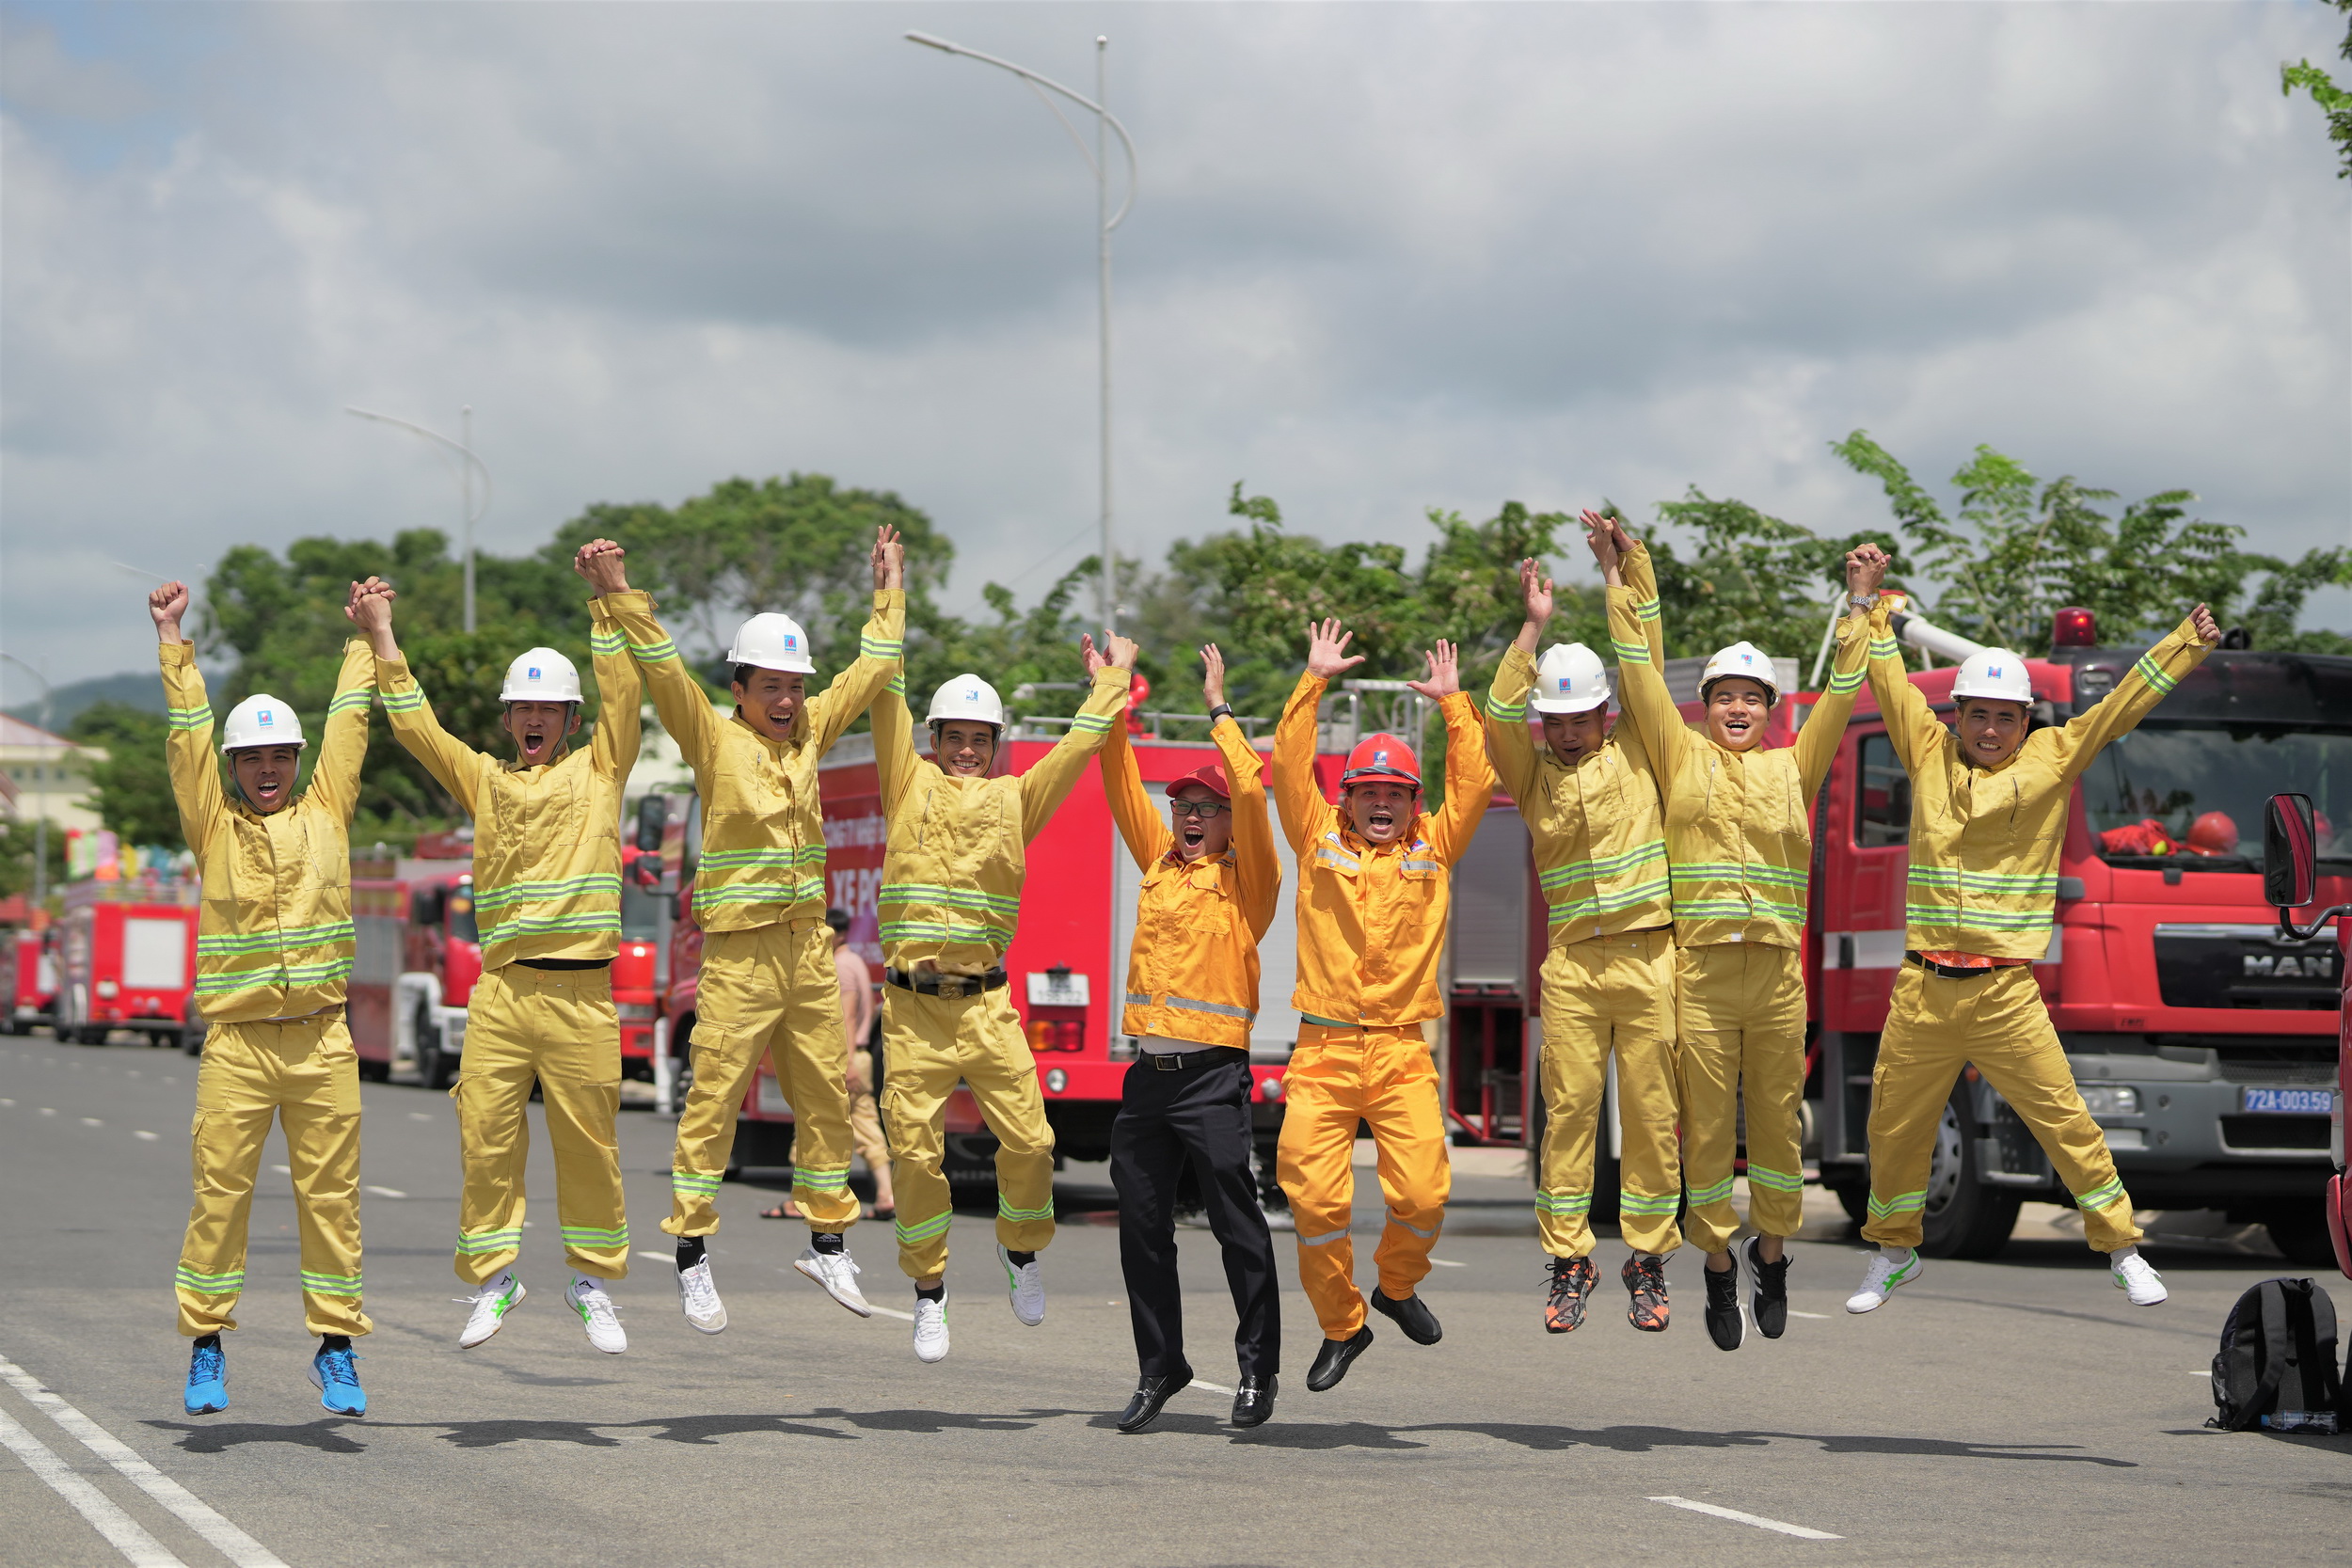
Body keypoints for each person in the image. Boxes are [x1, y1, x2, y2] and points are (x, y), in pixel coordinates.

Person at [1847, 593, 2220, 1313]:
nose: (1990, 729)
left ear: (2026, 721)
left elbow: (2120, 706)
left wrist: (2186, 642)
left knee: (2066, 1121)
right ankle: (1893, 1252)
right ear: (1957, 716)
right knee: (1892, 1126)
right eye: (1978, 715)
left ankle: (2123, 1248)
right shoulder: (1927, 752)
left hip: (2004, 993)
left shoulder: (2055, 754)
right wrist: (1867, 607)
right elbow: (1889, 680)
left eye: (2005, 717)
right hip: (1923, 988)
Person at [608, 528, 906, 1332]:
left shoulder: (811, 734)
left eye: (795, 686)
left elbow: (872, 667)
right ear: (738, 689)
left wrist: (889, 588)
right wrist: (620, 594)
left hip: (809, 948)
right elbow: (664, 671)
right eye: (771, 685)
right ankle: (692, 1254)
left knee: (829, 1094)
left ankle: (828, 1242)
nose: (787, 699)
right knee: (713, 1100)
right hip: (739, 955)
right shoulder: (712, 738)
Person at [346, 542, 641, 1354]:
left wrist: (609, 600)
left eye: (551, 709)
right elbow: (417, 727)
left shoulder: (602, 771)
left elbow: (625, 693)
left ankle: (591, 1280)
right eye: (524, 710)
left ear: (571, 721)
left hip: (582, 991)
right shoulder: (485, 780)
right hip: (504, 992)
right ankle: (494, 1276)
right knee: (485, 1134)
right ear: (508, 720)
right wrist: (381, 634)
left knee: (590, 1143)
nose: (536, 720)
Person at [1606, 516, 1880, 1352]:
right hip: (1702, 973)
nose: (1737, 707)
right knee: (1704, 1133)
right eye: (1725, 695)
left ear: (1770, 709)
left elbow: (1842, 691)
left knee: (1777, 1127)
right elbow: (1638, 672)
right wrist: (1620, 576)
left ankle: (1771, 1255)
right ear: (1705, 705)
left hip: (1776, 978)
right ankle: (1719, 1263)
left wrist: (1860, 605)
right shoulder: (1679, 755)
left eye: (1752, 697)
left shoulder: (1795, 765)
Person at [871, 634, 1137, 1361]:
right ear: (932, 740)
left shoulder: (1017, 798)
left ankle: (1020, 1247)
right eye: (954, 737)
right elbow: (887, 695)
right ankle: (929, 1291)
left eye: (979, 739)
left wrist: (1112, 679)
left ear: (996, 745)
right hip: (913, 1011)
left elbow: (1078, 745)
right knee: (915, 1155)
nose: (966, 749)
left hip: (987, 1007)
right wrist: (888, 603)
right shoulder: (905, 783)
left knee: (1033, 1142)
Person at [152, 578, 373, 1418]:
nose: (269, 769)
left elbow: (351, 721)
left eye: (281, 755)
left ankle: (336, 1347)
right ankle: (206, 1345)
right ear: (235, 767)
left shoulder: (329, 812)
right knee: (220, 1197)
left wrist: (365, 638)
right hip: (239, 1046)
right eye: (253, 758)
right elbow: (187, 739)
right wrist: (173, 641)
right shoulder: (212, 824)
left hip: (322, 1039)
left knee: (333, 1200)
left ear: (299, 760)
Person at [1273, 619, 1491, 1393]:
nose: (1381, 804)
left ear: (1413, 802)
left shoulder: (1435, 844)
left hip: (1400, 1049)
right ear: (1347, 798)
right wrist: (1313, 680)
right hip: (1323, 1049)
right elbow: (1287, 763)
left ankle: (1397, 1286)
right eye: (1368, 791)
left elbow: (1476, 782)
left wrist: (1453, 704)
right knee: (1313, 1199)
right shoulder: (1316, 838)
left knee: (1424, 1192)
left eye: (1395, 793)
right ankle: (1344, 1323)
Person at [1485, 531, 1681, 1336]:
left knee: (1653, 1112)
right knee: (1567, 1112)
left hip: (1651, 954)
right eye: (1555, 720)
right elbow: (1497, 713)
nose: (1567, 731)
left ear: (1605, 712)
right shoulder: (1531, 775)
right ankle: (1570, 1258)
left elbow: (1644, 660)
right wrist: (1531, 628)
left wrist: (1617, 576)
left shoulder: (1640, 749)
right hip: (1572, 965)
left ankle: (1647, 1257)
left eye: (1581, 716)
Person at [1100, 643, 1282, 1433]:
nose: (1193, 817)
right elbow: (1117, 776)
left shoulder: (1250, 879)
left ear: (1229, 820)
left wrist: (1219, 709)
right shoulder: (1159, 862)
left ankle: (1258, 1367)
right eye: (1183, 807)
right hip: (1148, 1078)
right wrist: (1110, 693)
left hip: (1212, 1078)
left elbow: (1253, 786)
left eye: (1208, 807)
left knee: (1237, 1226)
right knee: (1142, 1228)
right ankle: (1160, 1364)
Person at [764, 908, 897, 1221]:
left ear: (837, 934)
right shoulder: (856, 962)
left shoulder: (841, 965)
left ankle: (798, 1200)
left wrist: (846, 1062)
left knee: (809, 1123)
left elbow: (845, 1016)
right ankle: (886, 1195)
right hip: (858, 1055)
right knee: (866, 1126)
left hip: (840, 1057)